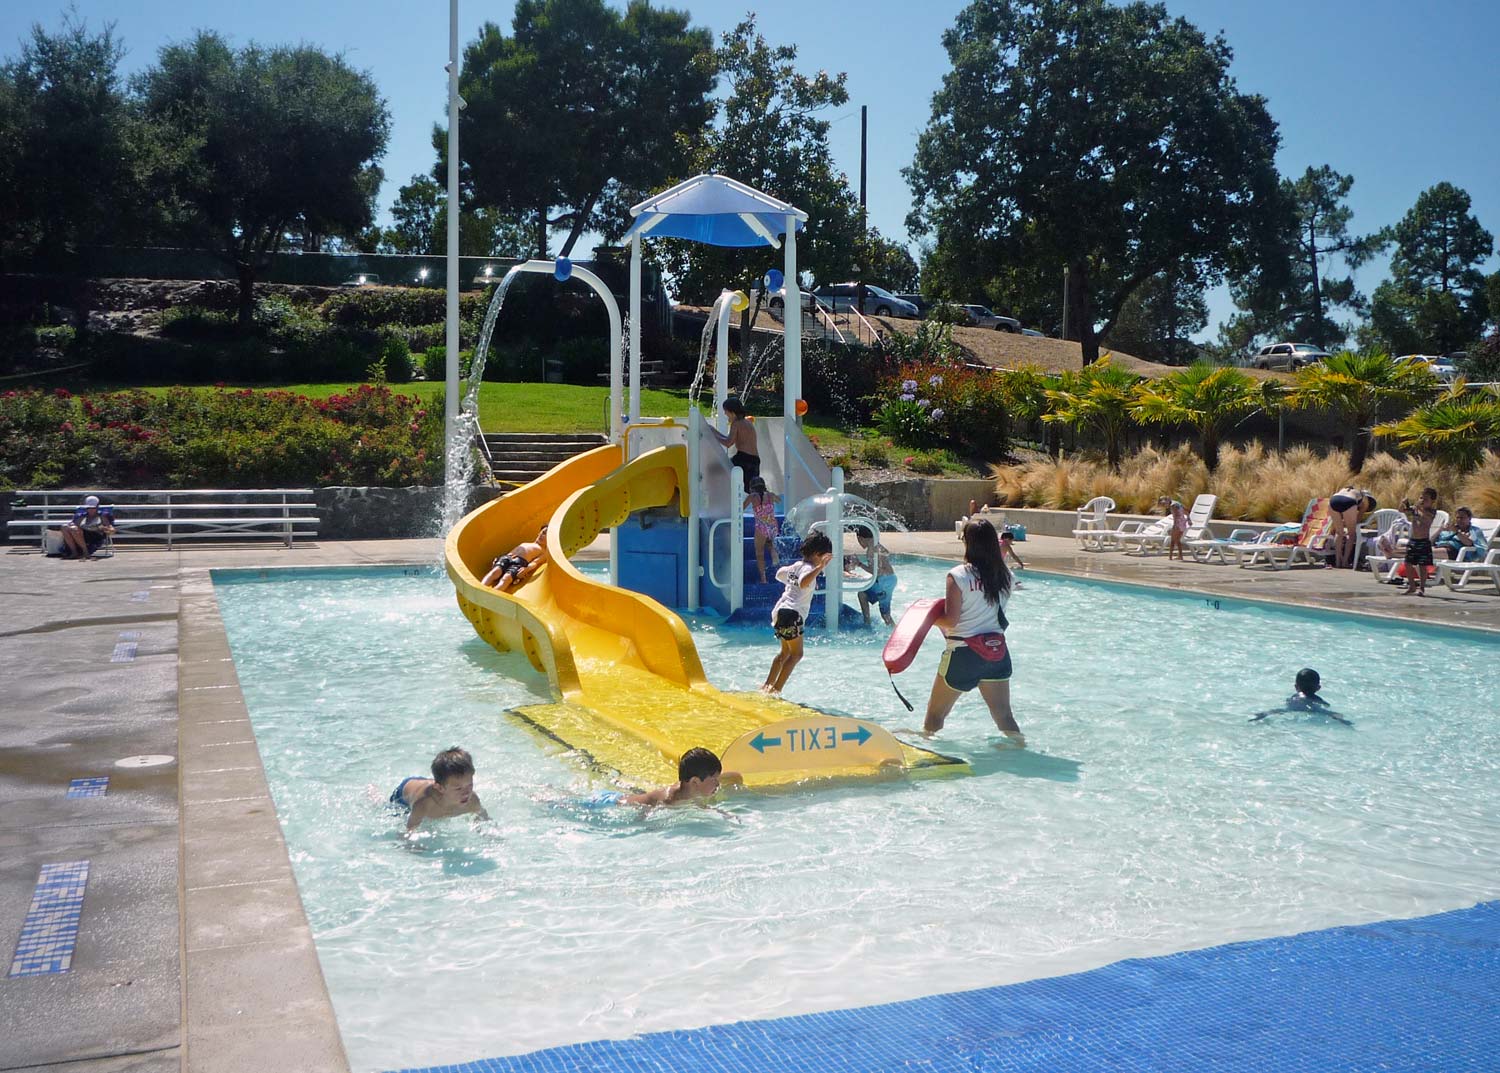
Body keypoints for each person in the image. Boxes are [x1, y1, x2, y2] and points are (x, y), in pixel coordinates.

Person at [924, 517, 1023, 746]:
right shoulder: (1006, 575)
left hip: (963, 653)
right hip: (997, 653)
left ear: (967, 542)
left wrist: (926, 618)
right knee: (1004, 717)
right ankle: (1021, 750)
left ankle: (926, 751)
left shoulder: (958, 575)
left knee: (935, 716)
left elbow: (951, 620)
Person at [762, 531, 834, 695]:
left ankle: (767, 685)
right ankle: (776, 690)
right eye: (825, 558)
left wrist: (794, 580)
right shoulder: (810, 568)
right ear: (818, 555)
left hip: (780, 612)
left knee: (785, 653)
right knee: (797, 654)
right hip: (792, 614)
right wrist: (819, 568)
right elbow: (802, 582)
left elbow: (779, 574)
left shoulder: (796, 566)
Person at [589, 748, 745, 808]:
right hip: (609, 802)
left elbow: (735, 776)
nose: (718, 784)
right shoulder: (670, 802)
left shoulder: (690, 784)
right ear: (695, 781)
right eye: (714, 780)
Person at [389, 747, 490, 833]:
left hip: (438, 784)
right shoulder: (424, 803)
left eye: (469, 785)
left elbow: (484, 820)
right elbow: (409, 829)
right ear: (440, 788)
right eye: (458, 789)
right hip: (404, 795)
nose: (466, 793)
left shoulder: (472, 800)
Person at [1250, 668, 1350, 725]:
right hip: (1312, 709)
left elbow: (1288, 701)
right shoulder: (1317, 699)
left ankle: (1262, 715)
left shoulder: (1295, 696)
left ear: (1296, 687)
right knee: (1330, 714)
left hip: (1294, 707)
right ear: (1318, 688)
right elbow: (1326, 706)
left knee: (1280, 711)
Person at [482, 526, 549, 591]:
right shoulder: (525, 543)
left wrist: (526, 569)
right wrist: (499, 559)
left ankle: (493, 593)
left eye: (547, 536)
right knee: (495, 572)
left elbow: (535, 562)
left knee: (506, 578)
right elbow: (511, 552)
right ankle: (481, 587)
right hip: (508, 557)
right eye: (543, 532)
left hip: (519, 563)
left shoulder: (543, 552)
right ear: (539, 532)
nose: (543, 536)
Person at [711, 397, 760, 484]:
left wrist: (713, 435)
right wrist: (713, 431)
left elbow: (728, 443)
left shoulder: (736, 424)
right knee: (750, 487)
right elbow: (728, 439)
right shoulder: (747, 422)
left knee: (716, 469)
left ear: (732, 413)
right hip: (754, 460)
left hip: (743, 459)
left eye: (726, 412)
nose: (725, 414)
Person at [853, 529, 897, 627]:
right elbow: (887, 553)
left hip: (883, 581)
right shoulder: (876, 545)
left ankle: (867, 623)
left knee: (862, 595)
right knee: (885, 614)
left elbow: (874, 571)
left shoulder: (871, 550)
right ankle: (894, 629)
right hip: (890, 579)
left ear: (860, 538)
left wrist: (859, 564)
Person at [1400, 488, 1438, 596]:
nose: (1422, 501)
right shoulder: (1415, 509)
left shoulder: (1432, 512)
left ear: (1432, 501)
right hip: (1413, 540)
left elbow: (1426, 517)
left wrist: (1418, 508)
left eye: (1426, 499)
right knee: (1407, 563)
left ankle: (1422, 587)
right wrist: (1404, 503)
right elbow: (1401, 510)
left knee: (1422, 565)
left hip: (1424, 541)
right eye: (1421, 498)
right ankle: (1412, 586)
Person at [1329, 486, 1377, 569]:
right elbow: (1358, 519)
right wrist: (1353, 526)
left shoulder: (1346, 490)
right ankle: (1345, 562)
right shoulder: (1365, 500)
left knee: (1339, 533)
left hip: (1333, 500)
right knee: (1351, 534)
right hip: (1349, 501)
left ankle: (1337, 561)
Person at [744, 476, 778, 584]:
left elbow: (740, 508)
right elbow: (779, 500)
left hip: (761, 527)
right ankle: (773, 553)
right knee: (770, 544)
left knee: (759, 553)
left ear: (751, 487)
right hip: (772, 526)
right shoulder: (770, 495)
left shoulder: (752, 496)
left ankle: (764, 579)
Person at [59, 495, 116, 560]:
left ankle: (86, 552)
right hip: (82, 534)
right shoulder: (81, 516)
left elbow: (111, 529)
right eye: (89, 508)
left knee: (75, 530)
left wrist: (107, 529)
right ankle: (74, 552)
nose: (91, 510)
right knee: (64, 527)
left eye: (93, 508)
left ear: (97, 507)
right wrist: (72, 526)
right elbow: (73, 525)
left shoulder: (102, 516)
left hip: (95, 536)